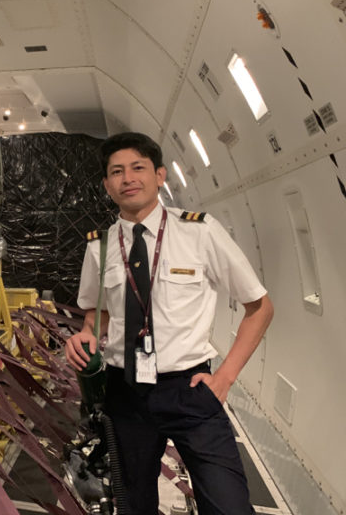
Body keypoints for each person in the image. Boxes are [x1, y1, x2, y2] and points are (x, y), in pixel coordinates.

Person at [65, 132, 273, 515]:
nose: (128, 178)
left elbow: (259, 307)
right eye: (117, 171)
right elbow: (98, 313)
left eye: (138, 168)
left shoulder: (200, 231)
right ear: (106, 184)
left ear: (160, 175)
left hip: (190, 389)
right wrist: (85, 336)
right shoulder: (100, 246)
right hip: (124, 393)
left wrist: (224, 379)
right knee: (133, 502)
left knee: (228, 505)